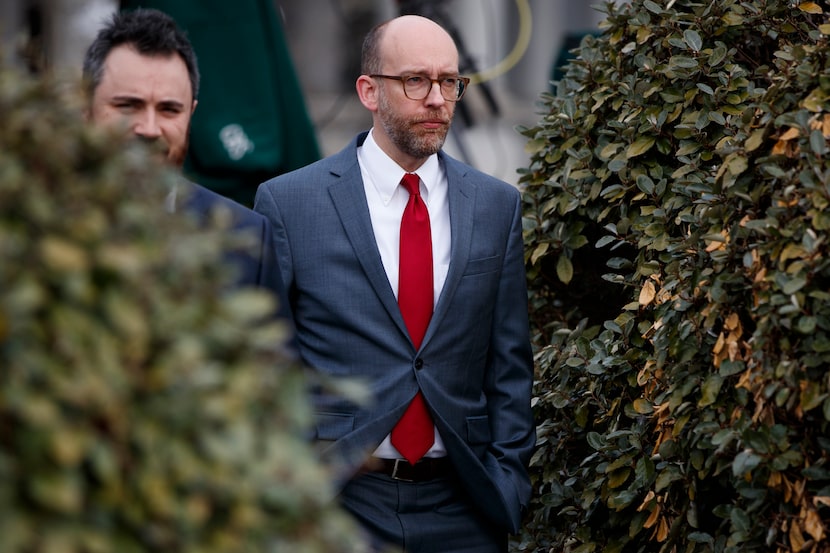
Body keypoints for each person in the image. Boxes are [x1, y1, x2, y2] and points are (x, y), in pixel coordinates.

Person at [254, 14, 534, 553]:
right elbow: (267, 365)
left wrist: (508, 480)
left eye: (449, 81)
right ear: (368, 90)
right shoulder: (290, 204)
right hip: (338, 503)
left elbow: (510, 364)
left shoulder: (498, 206)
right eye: (416, 80)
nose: (436, 98)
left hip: (465, 505)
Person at [82, 8, 293, 329]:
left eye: (169, 109)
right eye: (128, 105)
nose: (149, 129)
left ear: (191, 115)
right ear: (85, 109)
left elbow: (279, 372)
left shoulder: (247, 237)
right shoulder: (34, 227)